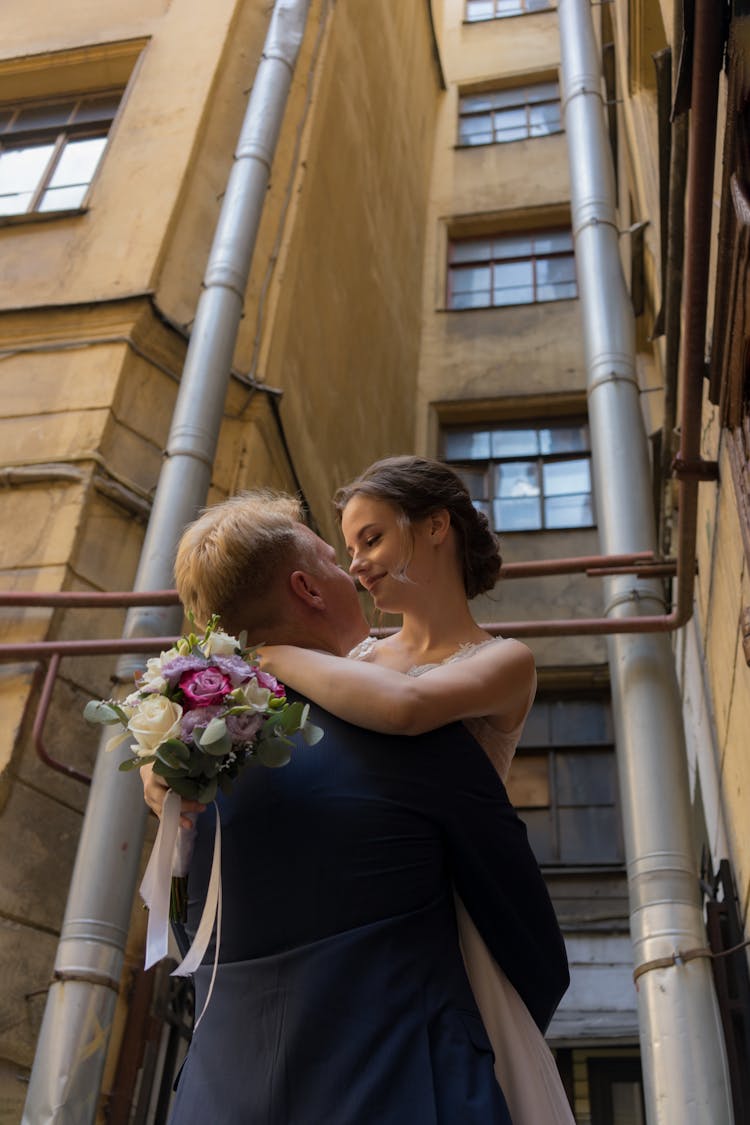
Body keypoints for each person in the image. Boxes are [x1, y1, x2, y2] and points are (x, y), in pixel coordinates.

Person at [142, 489, 569, 1124]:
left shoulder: (188, 769)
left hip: (215, 1096)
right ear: (308, 591)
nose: (355, 572)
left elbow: (180, 928)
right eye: (337, 560)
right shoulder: (410, 740)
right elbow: (524, 933)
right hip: (405, 1086)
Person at [258, 456, 576, 1125]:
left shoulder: (504, 661)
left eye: (372, 539)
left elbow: (407, 708)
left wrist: (270, 656)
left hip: (449, 915)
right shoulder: (356, 661)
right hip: (354, 903)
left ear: (436, 526)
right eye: (349, 549)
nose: (357, 566)